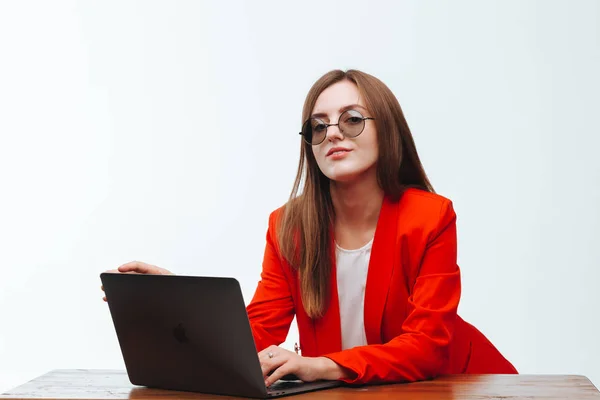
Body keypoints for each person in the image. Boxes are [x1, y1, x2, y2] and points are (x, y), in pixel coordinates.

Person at [102, 69, 518, 387]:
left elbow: (427, 347)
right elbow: (257, 336)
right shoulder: (288, 227)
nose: (333, 132)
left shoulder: (430, 217)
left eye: (352, 119)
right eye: (319, 126)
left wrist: (320, 365)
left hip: (462, 385)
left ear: (386, 130)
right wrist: (185, 303)